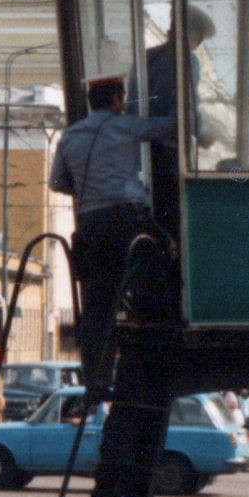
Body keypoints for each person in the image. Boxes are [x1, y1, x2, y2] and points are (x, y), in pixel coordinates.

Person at [49, 74, 177, 397]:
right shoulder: (126, 126)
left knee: (97, 304)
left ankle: (97, 378)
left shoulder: (70, 136)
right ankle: (161, 331)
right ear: (118, 99)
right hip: (127, 218)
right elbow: (169, 128)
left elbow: (57, 184)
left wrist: (89, 189)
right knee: (167, 252)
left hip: (90, 223)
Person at [143, 5, 216, 233]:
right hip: (169, 153)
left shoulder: (148, 57)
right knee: (177, 222)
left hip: (143, 153)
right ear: (191, 35)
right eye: (198, 39)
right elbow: (186, 104)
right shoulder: (188, 61)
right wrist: (201, 132)